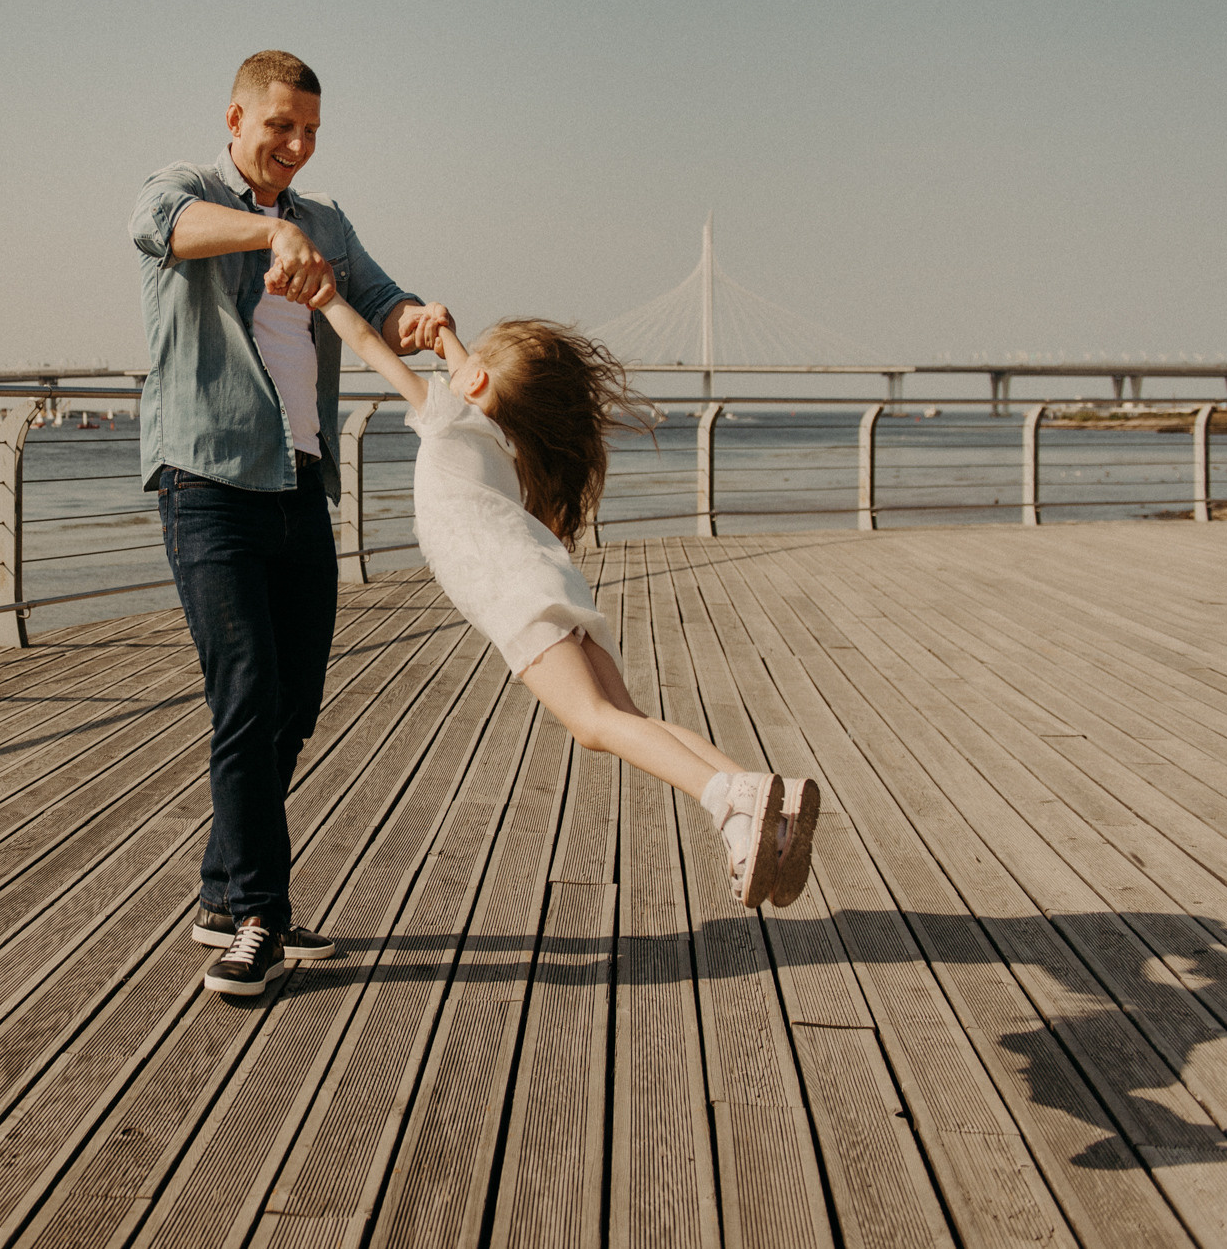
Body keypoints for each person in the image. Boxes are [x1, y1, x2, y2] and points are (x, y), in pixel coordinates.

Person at [312, 293, 821, 907]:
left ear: (475, 380)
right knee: (629, 718)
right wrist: (445, 335)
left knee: (593, 723)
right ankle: (762, 799)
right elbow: (476, 372)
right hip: (547, 578)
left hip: (514, 592)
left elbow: (370, 345)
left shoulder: (450, 416)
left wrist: (326, 297)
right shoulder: (503, 435)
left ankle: (728, 804)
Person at [130, 50, 453, 997]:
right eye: (281, 126)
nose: (298, 146)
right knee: (248, 694)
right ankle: (261, 919)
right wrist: (269, 234)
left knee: (296, 703)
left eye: (311, 130)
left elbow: (379, 303)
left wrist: (417, 320)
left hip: (302, 484)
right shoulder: (185, 190)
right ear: (236, 120)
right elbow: (164, 227)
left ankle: (225, 893)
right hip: (208, 483)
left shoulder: (326, 223)